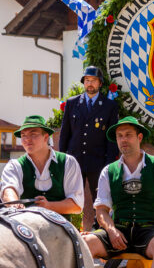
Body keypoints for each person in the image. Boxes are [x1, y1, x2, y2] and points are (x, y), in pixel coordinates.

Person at [82, 116, 154, 268]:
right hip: (119, 231)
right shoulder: (108, 171)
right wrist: (112, 231)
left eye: (128, 135)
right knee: (84, 243)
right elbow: (101, 210)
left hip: (151, 231)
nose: (123, 140)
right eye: (120, 136)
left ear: (139, 137)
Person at [59, 66, 119, 215]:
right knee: (71, 196)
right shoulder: (72, 103)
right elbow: (65, 133)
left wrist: (109, 164)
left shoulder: (109, 106)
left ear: (100, 83)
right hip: (74, 159)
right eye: (87, 80)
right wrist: (62, 159)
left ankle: (99, 229)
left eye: (93, 80)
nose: (90, 83)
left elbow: (111, 139)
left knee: (100, 198)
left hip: (97, 161)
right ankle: (71, 227)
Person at [0, 115, 84, 217]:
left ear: (46, 137)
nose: (27, 139)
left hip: (61, 228)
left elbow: (76, 205)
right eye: (23, 136)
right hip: (25, 228)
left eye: (33, 134)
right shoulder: (14, 165)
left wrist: (49, 206)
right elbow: (8, 190)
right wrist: (14, 203)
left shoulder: (68, 162)